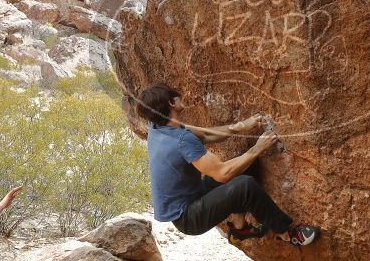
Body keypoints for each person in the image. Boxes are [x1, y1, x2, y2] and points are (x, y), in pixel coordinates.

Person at [135, 83, 320, 245]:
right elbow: (223, 174)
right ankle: (288, 234)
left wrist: (243, 126)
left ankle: (240, 228)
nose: (180, 95)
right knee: (243, 185)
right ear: (172, 103)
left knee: (244, 165)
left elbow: (206, 135)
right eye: (175, 95)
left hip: (193, 196)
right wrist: (257, 148)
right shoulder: (181, 139)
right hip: (188, 216)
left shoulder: (158, 128)